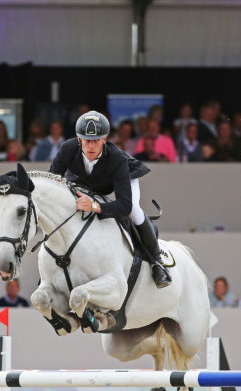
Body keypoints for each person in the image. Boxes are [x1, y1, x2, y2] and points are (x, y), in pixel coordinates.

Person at [48, 110, 171, 288]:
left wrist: (95, 207)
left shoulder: (117, 159)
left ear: (105, 139)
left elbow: (124, 206)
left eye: (96, 140)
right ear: (78, 139)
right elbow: (53, 184)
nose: (91, 146)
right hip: (84, 180)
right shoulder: (67, 148)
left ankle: (157, 262)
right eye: (87, 140)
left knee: (135, 211)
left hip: (119, 178)